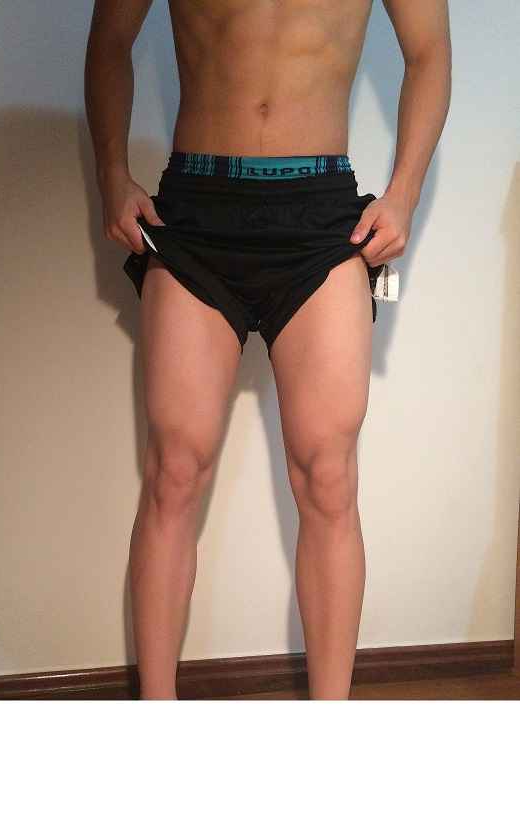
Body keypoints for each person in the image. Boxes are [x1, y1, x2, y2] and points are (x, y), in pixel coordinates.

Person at [84, 0, 452, 700]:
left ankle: (329, 729)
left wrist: (403, 194)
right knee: (173, 472)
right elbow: (110, 38)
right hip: (196, 207)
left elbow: (429, 52)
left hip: (320, 216)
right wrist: (111, 174)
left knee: (328, 477)